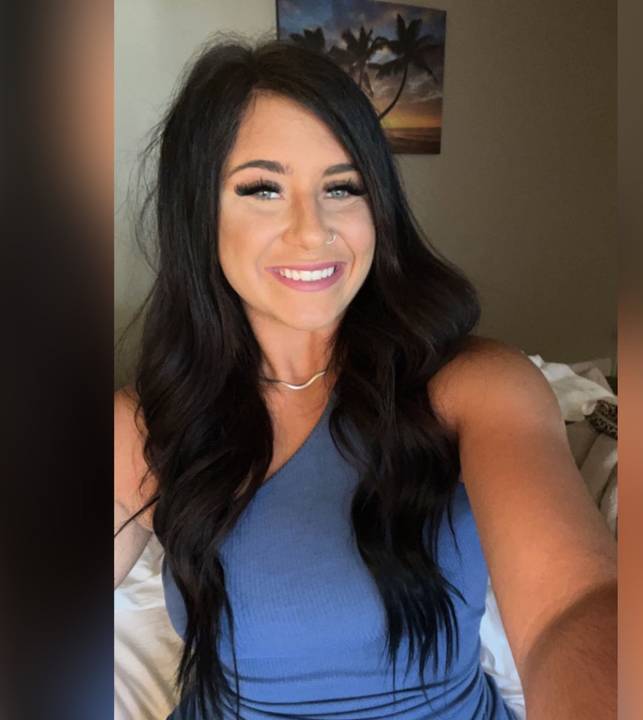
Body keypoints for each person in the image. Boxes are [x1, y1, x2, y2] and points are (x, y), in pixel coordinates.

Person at [114, 36, 617, 720]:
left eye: (342, 187)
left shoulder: (473, 388)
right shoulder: (146, 425)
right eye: (262, 188)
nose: (313, 229)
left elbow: (573, 606)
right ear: (199, 215)